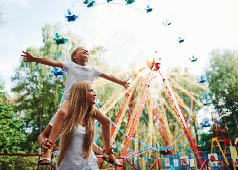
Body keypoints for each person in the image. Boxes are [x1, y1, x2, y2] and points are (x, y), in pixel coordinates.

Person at [22, 47, 128, 166]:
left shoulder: (92, 70)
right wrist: (35, 59)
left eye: (87, 50)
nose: (86, 51)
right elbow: (52, 62)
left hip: (85, 103)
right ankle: (48, 150)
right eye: (82, 50)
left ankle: (108, 153)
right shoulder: (70, 66)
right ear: (75, 57)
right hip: (71, 99)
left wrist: (122, 82)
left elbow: (109, 76)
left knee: (106, 121)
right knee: (62, 113)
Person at [52, 81, 110, 169]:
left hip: (90, 165)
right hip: (68, 166)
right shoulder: (64, 115)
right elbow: (44, 136)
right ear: (80, 94)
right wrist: (47, 146)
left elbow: (85, 142)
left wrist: (101, 150)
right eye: (90, 91)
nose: (94, 94)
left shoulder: (90, 117)